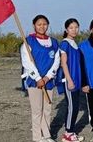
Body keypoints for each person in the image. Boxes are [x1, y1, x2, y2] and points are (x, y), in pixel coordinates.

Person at [21, 14, 60, 142]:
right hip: (35, 82)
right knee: (37, 110)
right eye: (39, 24)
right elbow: (27, 62)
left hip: (48, 81)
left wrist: (48, 77)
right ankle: (37, 137)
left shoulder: (53, 42)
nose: (42, 26)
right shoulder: (28, 41)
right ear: (34, 26)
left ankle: (47, 135)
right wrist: (38, 78)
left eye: (44, 24)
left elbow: (56, 60)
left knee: (47, 109)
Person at [57, 18, 84, 142]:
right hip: (70, 79)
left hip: (77, 78)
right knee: (72, 107)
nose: (74, 30)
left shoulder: (75, 43)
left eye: (76, 27)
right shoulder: (65, 43)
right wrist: (69, 80)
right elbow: (64, 63)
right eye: (71, 28)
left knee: (76, 106)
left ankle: (71, 132)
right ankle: (68, 133)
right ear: (66, 29)